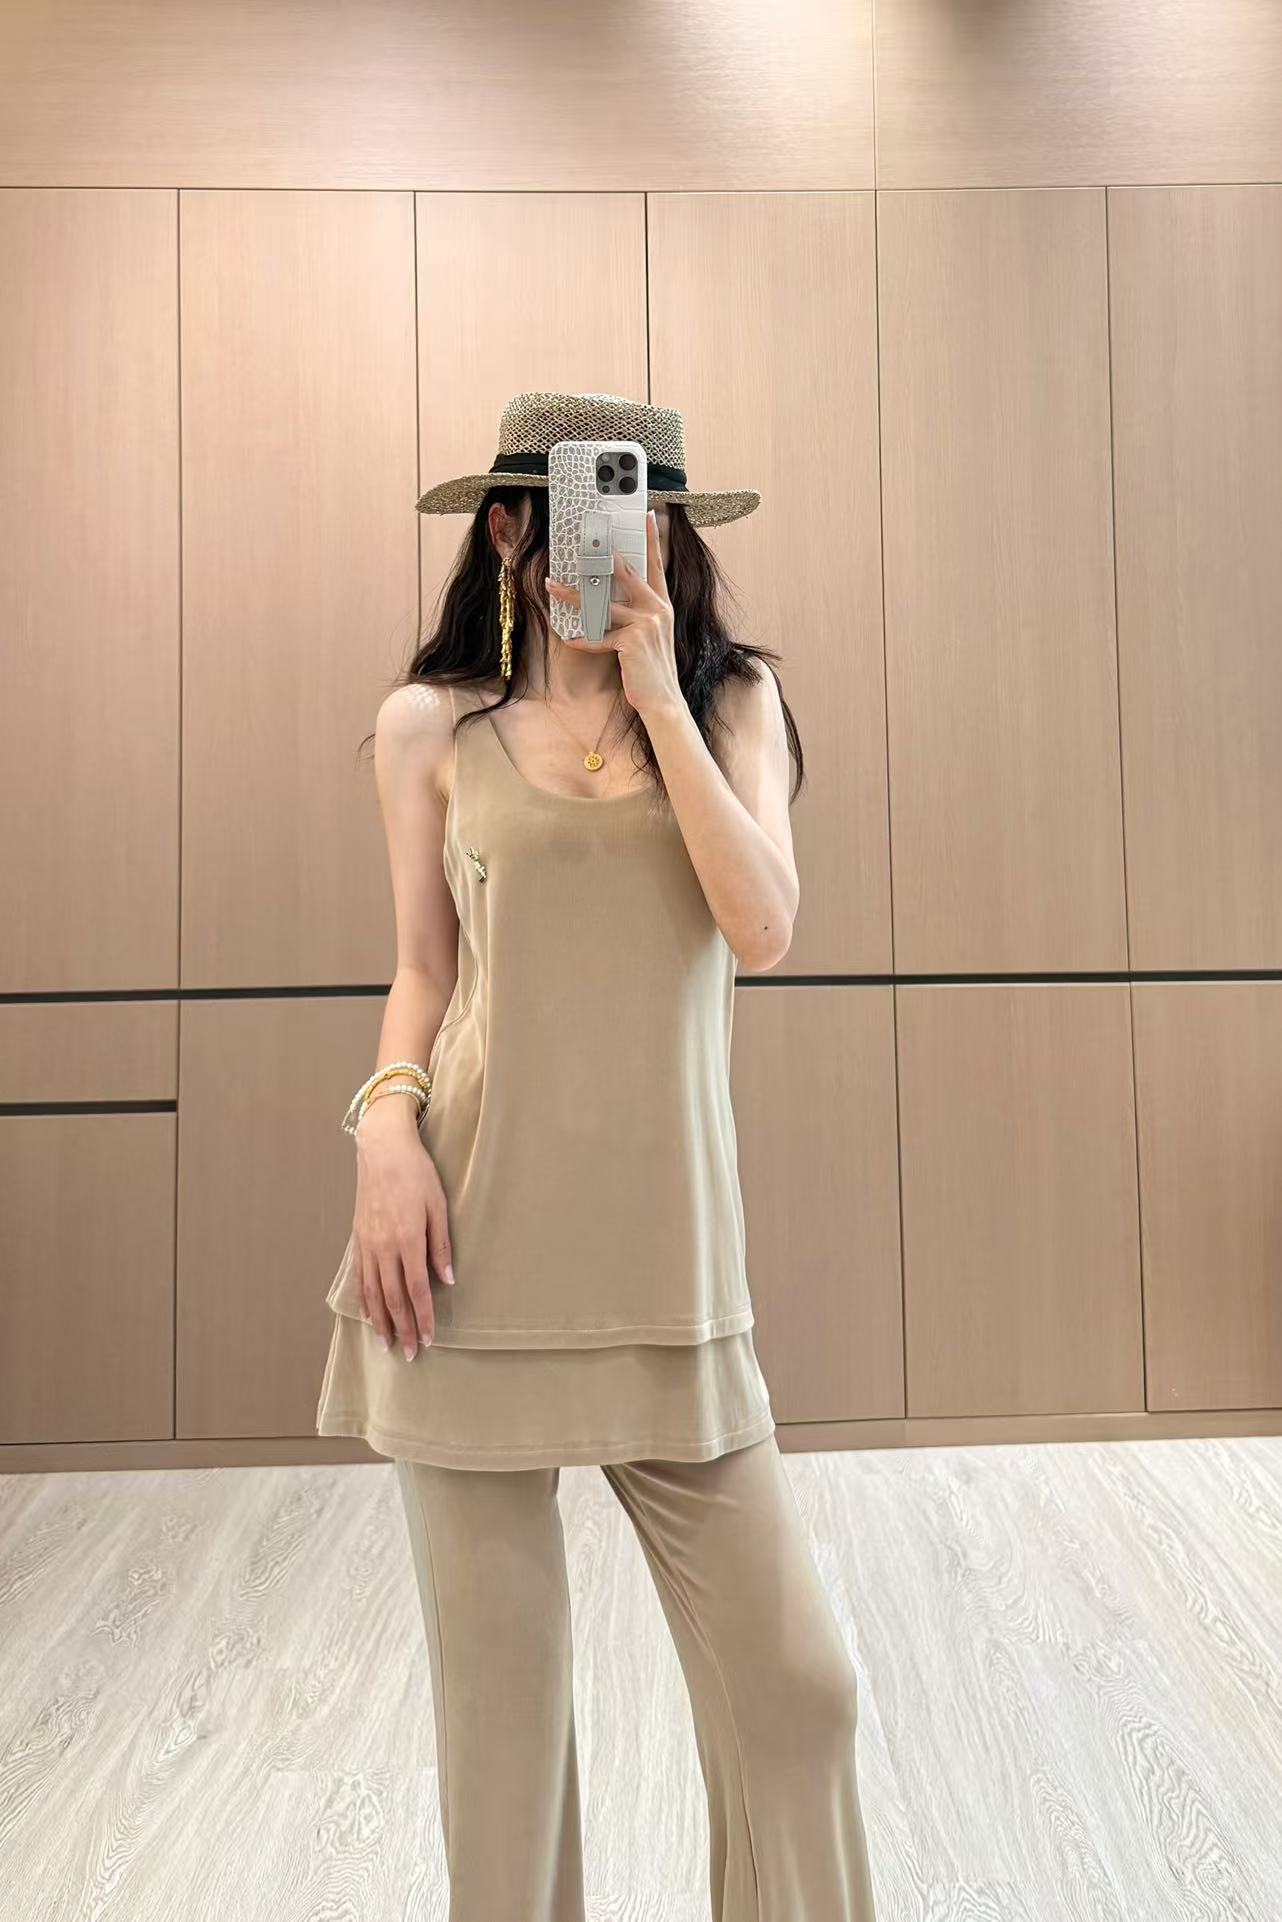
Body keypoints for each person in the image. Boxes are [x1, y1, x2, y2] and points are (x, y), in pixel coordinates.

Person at [315, 390, 878, 1921]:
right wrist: (384, 1125)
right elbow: (422, 970)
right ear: (510, 529)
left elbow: (762, 924)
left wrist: (655, 696)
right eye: (570, 510)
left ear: (673, 532)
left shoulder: (735, 702)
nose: (612, 541)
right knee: (503, 1750)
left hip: (668, 1274)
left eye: (642, 513)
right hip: (464, 1263)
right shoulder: (431, 728)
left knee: (801, 1695)